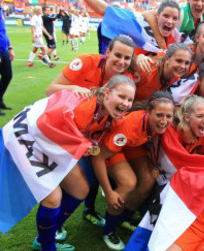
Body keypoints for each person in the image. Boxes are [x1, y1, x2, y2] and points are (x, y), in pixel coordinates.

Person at [29, 75, 136, 251]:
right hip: (33, 142)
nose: (126, 103)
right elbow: (46, 125)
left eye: (130, 100)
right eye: (121, 96)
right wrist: (82, 144)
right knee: (53, 199)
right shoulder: (84, 106)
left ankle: (46, 237)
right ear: (106, 93)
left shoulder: (105, 114)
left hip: (54, 148)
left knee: (80, 190)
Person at [46, 34, 136, 228]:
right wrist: (75, 88)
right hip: (65, 131)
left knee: (91, 178)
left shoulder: (125, 79)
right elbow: (50, 90)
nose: (122, 62)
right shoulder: (86, 62)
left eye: (127, 58)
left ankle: (88, 211)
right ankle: (54, 223)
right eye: (118, 55)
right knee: (70, 184)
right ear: (108, 52)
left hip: (92, 135)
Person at [92, 92, 176, 251]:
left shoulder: (158, 123)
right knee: (128, 183)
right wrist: (109, 191)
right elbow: (98, 158)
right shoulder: (129, 127)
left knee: (149, 180)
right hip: (111, 148)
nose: (164, 121)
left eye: (168, 116)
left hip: (131, 144)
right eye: (159, 115)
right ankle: (109, 230)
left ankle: (123, 218)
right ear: (148, 112)